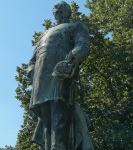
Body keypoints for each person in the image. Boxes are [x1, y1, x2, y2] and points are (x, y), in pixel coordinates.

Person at [27, 1, 92, 150]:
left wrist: (70, 61)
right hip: (41, 81)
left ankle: (59, 147)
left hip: (61, 75)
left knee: (60, 114)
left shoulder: (76, 26)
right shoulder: (44, 35)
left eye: (62, 8)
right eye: (56, 8)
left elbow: (83, 44)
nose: (58, 10)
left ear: (68, 12)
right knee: (46, 122)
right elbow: (31, 61)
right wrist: (32, 72)